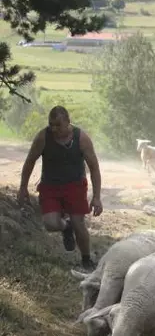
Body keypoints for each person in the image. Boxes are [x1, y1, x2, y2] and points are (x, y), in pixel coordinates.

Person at [17, 105, 103, 271]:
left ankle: (86, 259)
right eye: (51, 124)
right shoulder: (43, 137)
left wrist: (97, 196)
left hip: (75, 186)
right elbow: (29, 161)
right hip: (50, 186)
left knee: (79, 223)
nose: (54, 128)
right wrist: (22, 187)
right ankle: (66, 227)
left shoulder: (81, 138)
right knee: (50, 223)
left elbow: (94, 168)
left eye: (58, 125)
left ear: (68, 122)